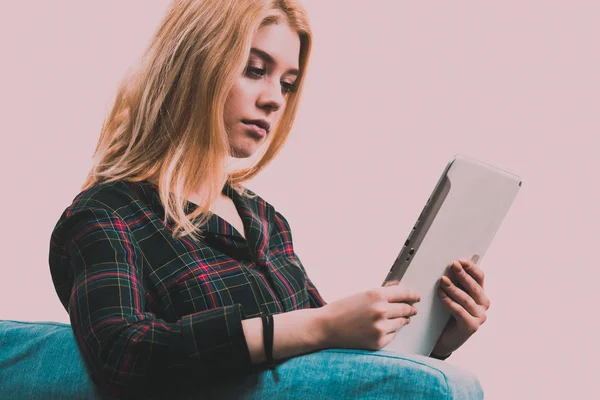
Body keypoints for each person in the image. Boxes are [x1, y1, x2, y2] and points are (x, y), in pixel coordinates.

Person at [48, 0, 487, 398]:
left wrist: (429, 338)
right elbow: (123, 356)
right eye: (255, 70)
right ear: (195, 62)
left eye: (288, 83)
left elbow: (319, 369)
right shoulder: (105, 215)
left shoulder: (263, 220)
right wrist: (321, 324)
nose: (275, 99)